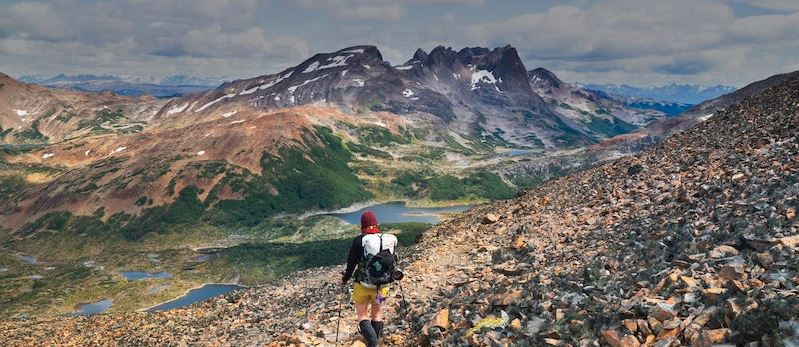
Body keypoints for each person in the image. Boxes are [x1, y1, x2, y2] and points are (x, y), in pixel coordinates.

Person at [341, 211, 398, 347]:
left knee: (362, 315)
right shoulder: (388, 239)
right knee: (377, 314)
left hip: (363, 286)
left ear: (362, 226)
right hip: (382, 288)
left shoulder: (360, 240)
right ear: (376, 224)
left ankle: (372, 343)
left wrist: (344, 279)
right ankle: (374, 341)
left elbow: (351, 263)